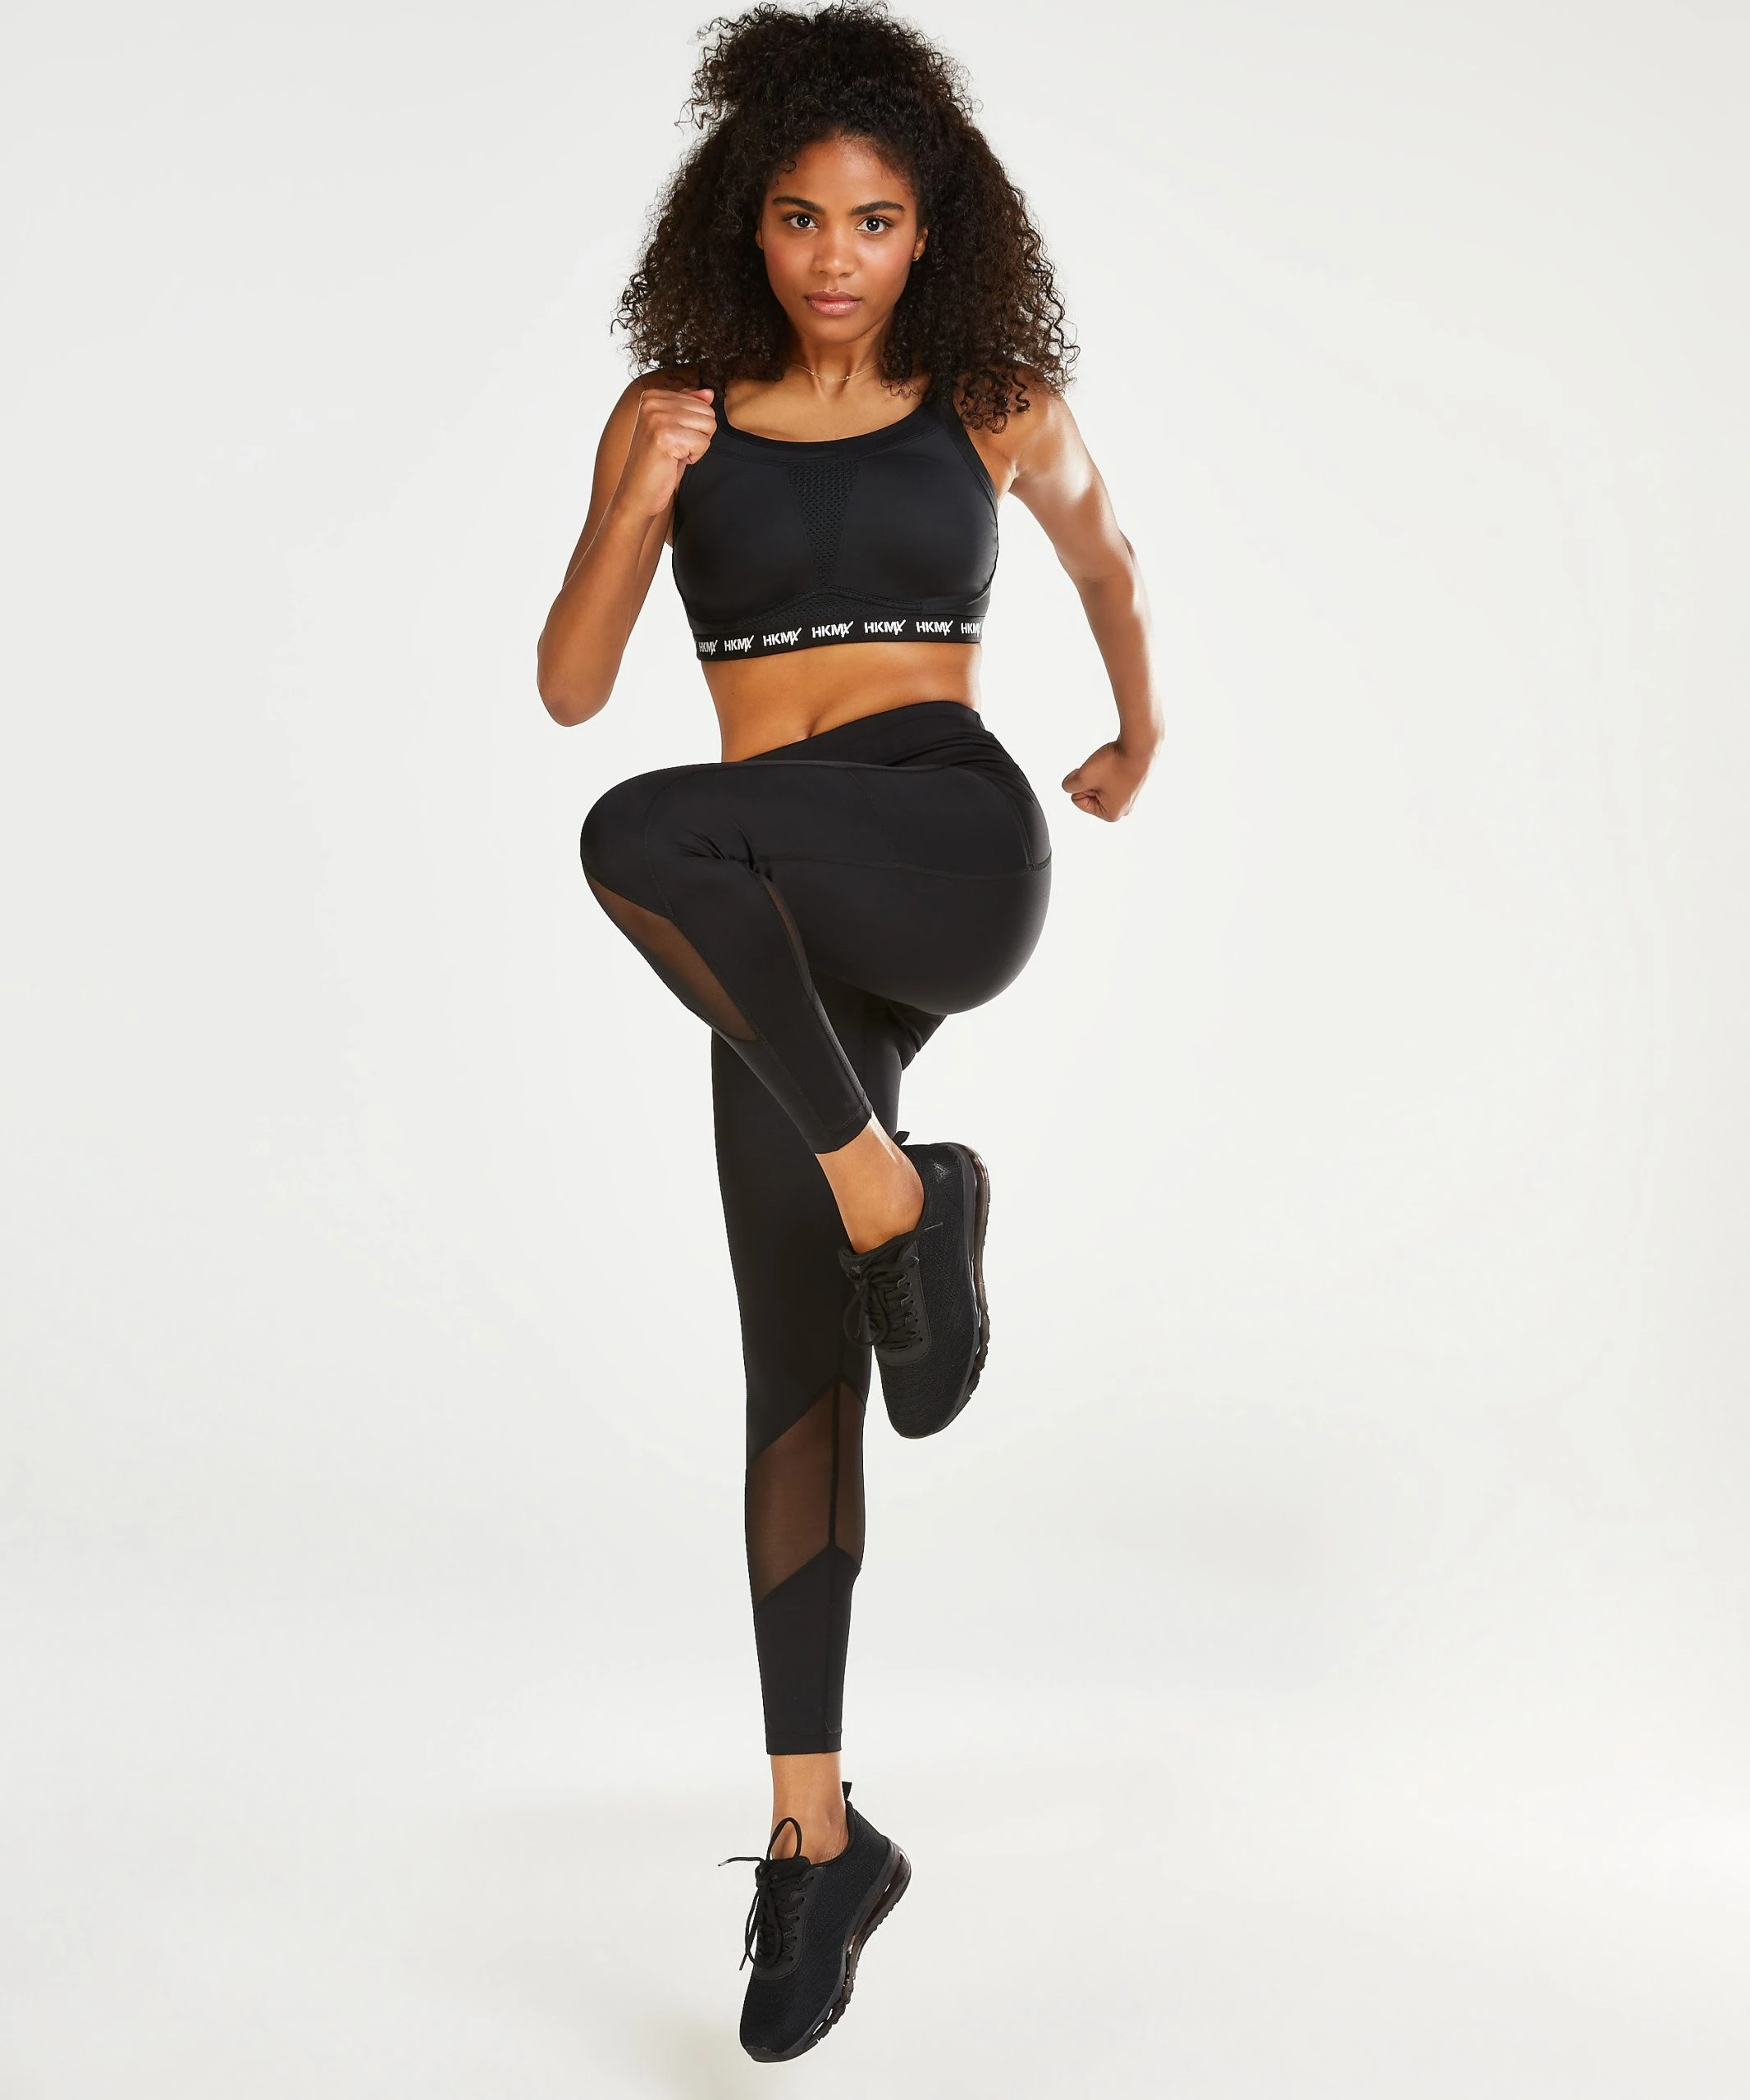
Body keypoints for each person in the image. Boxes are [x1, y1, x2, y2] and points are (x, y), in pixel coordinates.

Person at [536, 0, 1160, 2062]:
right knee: (795, 1370)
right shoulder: (673, 413)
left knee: (637, 829)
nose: (834, 255)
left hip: (944, 850)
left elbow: (1107, 555)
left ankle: (902, 1197)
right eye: (801, 216)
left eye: (874, 220)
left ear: (930, 231)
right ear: (747, 218)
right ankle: (817, 1840)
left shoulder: (987, 398)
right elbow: (570, 680)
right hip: (775, 924)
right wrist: (633, 499)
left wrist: (1137, 727)